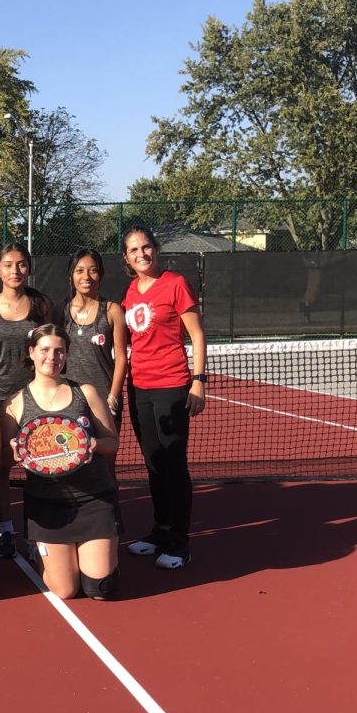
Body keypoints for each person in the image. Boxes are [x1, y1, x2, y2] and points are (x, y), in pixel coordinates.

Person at [3, 324, 120, 600]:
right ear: (32, 353)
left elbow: (112, 442)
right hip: (47, 505)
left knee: (100, 590)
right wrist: (14, 452)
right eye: (45, 350)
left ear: (66, 355)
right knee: (66, 591)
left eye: (59, 351)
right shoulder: (16, 402)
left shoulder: (87, 392)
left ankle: (103, 548)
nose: (52, 357)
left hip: (94, 498)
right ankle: (40, 548)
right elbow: (7, 458)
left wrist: (95, 444)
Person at [120, 225, 207, 569]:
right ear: (126, 258)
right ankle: (160, 529)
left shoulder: (175, 284)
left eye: (146, 247)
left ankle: (180, 541)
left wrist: (198, 381)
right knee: (153, 462)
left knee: (173, 462)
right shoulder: (130, 290)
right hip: (138, 386)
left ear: (156, 249)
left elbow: (197, 335)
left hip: (171, 384)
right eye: (134, 250)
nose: (142, 254)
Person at [0, 243, 56, 559]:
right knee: (0, 467)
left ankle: (38, 535)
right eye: (8, 265)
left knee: (39, 469)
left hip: (36, 397)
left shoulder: (42, 305)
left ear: (29, 268)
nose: (15, 270)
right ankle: (4, 530)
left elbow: (52, 349)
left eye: (21, 264)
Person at [62, 248, 129, 490]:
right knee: (71, 463)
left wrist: (112, 396)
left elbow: (121, 358)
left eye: (92, 270)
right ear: (71, 276)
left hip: (104, 399)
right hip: (70, 400)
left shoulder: (111, 311)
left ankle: (112, 521)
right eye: (79, 271)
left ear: (100, 275)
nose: (86, 277)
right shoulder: (61, 313)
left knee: (105, 466)